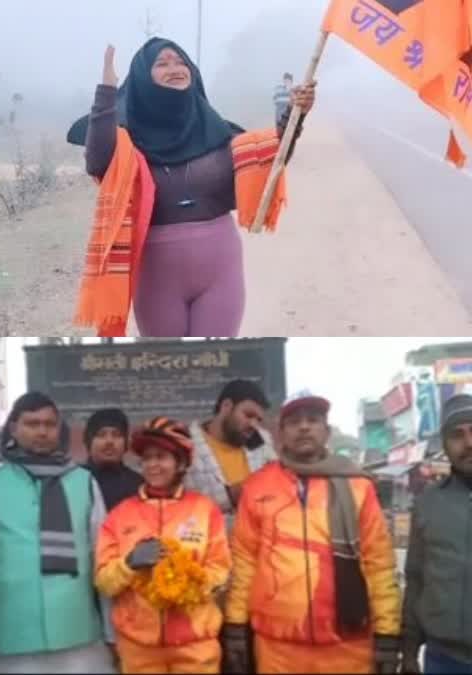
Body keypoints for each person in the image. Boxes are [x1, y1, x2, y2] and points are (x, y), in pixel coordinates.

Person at [73, 38, 317, 337]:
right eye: (161, 64)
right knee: (171, 363)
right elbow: (97, 161)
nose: (174, 69)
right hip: (156, 277)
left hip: (219, 271)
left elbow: (274, 156)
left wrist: (296, 114)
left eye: (180, 62)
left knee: (216, 357)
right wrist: (107, 91)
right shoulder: (125, 141)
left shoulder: (219, 133)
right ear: (141, 80)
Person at [223, 392, 401, 674]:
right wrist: (235, 626)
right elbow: (244, 561)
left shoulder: (358, 487)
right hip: (277, 647)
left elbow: (379, 563)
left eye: (313, 420)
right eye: (294, 422)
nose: (304, 427)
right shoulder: (257, 487)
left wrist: (388, 633)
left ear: (326, 431)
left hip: (347, 645)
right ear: (281, 433)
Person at [95, 417, 231, 673]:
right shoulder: (120, 515)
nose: (153, 465)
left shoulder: (205, 510)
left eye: (161, 457)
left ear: (180, 463)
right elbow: (104, 582)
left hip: (196, 647)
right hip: (139, 649)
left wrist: (189, 583)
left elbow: (221, 572)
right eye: (147, 458)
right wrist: (130, 563)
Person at [0, 392, 116, 674]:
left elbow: (103, 558)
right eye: (32, 424)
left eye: (49, 424)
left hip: (77, 631)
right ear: (14, 428)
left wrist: (112, 633)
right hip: (11, 634)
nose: (42, 431)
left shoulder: (83, 482)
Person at [401, 394, 472, 674]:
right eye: (457, 435)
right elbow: (416, 578)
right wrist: (408, 652)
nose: (468, 444)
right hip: (443, 660)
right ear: (444, 444)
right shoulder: (428, 503)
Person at [184, 379, 277, 529]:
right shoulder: (185, 443)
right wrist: (234, 494)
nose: (253, 424)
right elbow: (179, 505)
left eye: (258, 420)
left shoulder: (261, 442)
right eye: (248, 415)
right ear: (226, 406)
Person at [82, 407, 142, 511]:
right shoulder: (74, 481)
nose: (109, 441)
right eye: (101, 435)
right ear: (89, 441)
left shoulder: (139, 485)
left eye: (116, 435)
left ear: (126, 443)